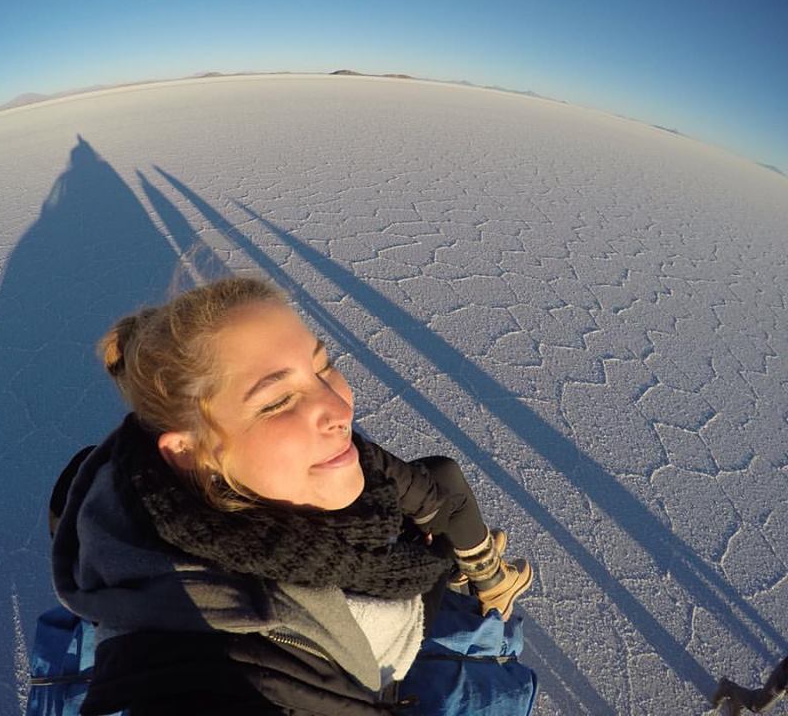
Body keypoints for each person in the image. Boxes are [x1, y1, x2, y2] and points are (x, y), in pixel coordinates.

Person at [51, 276, 533, 715]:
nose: (338, 406)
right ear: (189, 451)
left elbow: (397, 474)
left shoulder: (304, 482)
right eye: (278, 401)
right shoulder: (208, 663)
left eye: (324, 368)